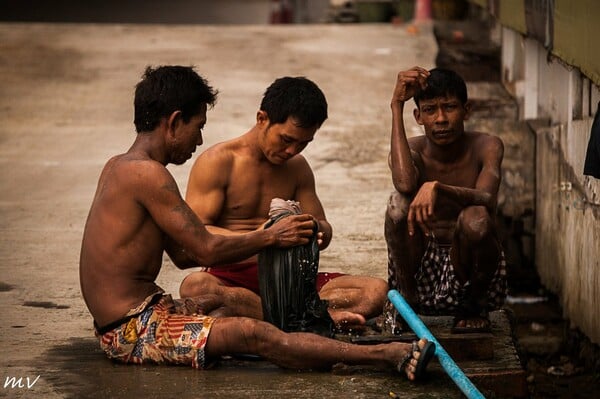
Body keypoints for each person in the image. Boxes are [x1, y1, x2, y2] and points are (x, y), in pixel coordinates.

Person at [79, 65, 436, 378]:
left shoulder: (123, 166)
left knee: (232, 317)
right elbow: (202, 247)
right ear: (174, 121)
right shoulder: (147, 174)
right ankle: (383, 356)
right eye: (197, 126)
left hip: (143, 313)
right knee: (253, 334)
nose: (199, 139)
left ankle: (315, 324)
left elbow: (184, 254)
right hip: (130, 329)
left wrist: (306, 230)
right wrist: (270, 237)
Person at [178, 76, 388, 328]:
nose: (292, 151)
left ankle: (284, 318)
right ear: (261, 119)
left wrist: (315, 229)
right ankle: (312, 319)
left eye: (303, 143)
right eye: (287, 140)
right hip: (233, 279)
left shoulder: (297, 168)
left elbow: (324, 229)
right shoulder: (218, 162)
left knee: (377, 291)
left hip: (294, 282)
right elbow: (198, 236)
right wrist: (264, 236)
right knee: (195, 286)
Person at [384, 66, 507, 332]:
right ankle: (407, 299)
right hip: (419, 272)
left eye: (449, 107)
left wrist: (439, 188)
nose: (441, 119)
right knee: (398, 203)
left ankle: (474, 303)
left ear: (466, 110)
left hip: (470, 268)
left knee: (476, 218)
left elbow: (487, 198)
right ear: (418, 116)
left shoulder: (487, 145)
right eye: (430, 110)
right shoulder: (413, 149)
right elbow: (404, 182)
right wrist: (396, 105)